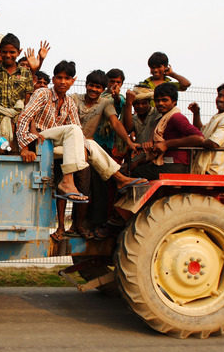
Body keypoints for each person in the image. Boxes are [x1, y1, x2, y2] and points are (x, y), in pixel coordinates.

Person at [15, 62, 141, 241]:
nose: (62, 82)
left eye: (67, 78)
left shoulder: (68, 103)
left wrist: (85, 146)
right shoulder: (42, 93)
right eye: (59, 78)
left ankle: (118, 178)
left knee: (89, 143)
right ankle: (69, 181)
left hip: (59, 148)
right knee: (74, 130)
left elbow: (80, 135)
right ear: (53, 79)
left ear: (73, 81)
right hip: (41, 141)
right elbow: (24, 117)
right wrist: (24, 147)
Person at [69, 70, 136, 237]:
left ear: (102, 89)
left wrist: (128, 141)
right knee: (79, 188)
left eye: (98, 87)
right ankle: (74, 225)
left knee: (95, 189)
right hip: (72, 147)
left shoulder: (105, 104)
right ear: (86, 85)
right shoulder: (75, 99)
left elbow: (115, 122)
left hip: (91, 150)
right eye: (91, 85)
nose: (94, 89)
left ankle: (90, 225)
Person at [128, 82, 204, 179]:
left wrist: (166, 144)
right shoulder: (163, 119)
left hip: (175, 165)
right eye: (157, 101)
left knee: (136, 173)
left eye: (164, 100)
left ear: (174, 102)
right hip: (167, 163)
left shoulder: (176, 117)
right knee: (134, 168)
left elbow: (199, 138)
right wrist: (138, 161)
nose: (160, 104)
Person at [0, 33, 33, 154]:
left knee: (13, 157)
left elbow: (28, 102)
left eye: (12, 52)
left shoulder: (26, 73)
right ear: (0, 52)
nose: (8, 55)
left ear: (18, 52)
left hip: (16, 125)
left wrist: (26, 126)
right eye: (4, 52)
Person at [188, 82, 224, 175]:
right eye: (220, 95)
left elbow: (213, 143)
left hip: (210, 172)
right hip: (202, 170)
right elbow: (200, 132)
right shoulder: (219, 117)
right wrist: (196, 113)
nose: (221, 99)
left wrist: (189, 141)